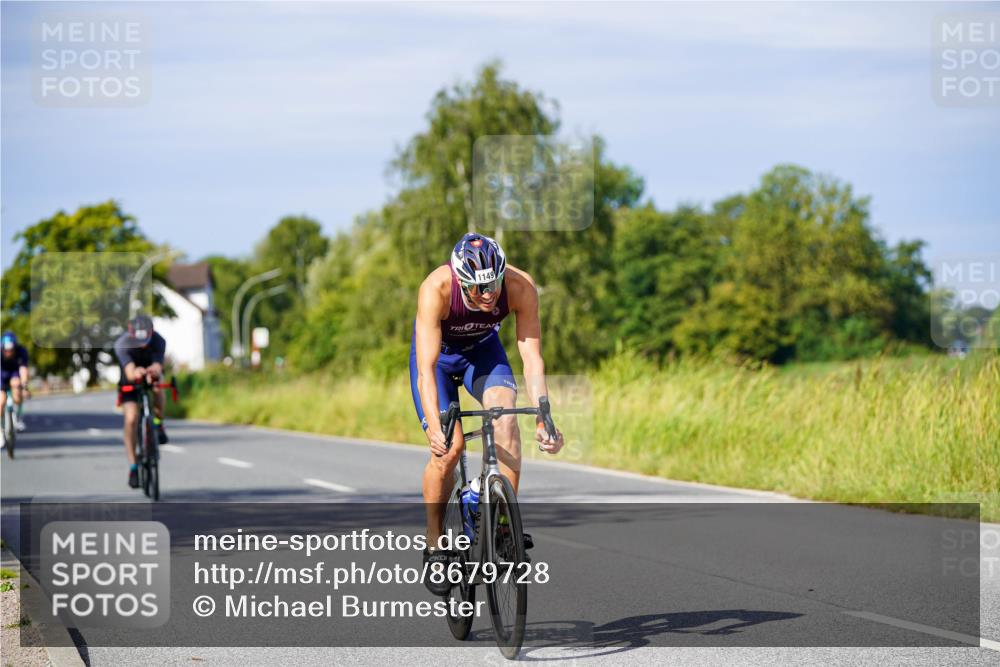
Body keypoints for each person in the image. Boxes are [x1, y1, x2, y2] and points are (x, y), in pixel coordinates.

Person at [410, 233, 564, 594]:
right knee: (449, 450)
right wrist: (435, 426)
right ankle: (434, 544)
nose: (489, 295)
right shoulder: (436, 288)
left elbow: (532, 359)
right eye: (478, 289)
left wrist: (544, 415)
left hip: (483, 355)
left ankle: (503, 528)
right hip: (438, 364)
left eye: (492, 285)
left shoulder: (520, 286)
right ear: (461, 280)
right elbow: (425, 370)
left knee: (506, 417)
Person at [113, 315, 168, 489]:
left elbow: (158, 366)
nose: (143, 344)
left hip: (150, 371)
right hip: (130, 377)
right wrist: (136, 372)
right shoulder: (122, 344)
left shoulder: (159, 341)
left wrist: (153, 371)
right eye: (139, 340)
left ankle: (158, 424)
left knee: (158, 387)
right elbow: (130, 373)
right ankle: (133, 467)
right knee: (131, 418)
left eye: (146, 339)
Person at [1, 332, 30, 442]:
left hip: (14, 373)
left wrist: (25, 387)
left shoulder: (21, 351)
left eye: (11, 349)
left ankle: (17, 418)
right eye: (6, 350)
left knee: (17, 387)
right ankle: (0, 430)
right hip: (1, 374)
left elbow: (23, 369)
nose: (8, 352)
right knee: (1, 401)